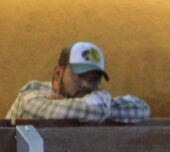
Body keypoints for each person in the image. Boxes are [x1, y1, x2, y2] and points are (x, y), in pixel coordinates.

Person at [5, 42, 149, 123]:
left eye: (94, 79)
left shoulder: (98, 102)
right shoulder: (33, 92)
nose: (86, 85)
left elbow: (141, 109)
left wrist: (96, 104)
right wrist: (102, 103)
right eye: (79, 76)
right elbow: (90, 110)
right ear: (57, 73)